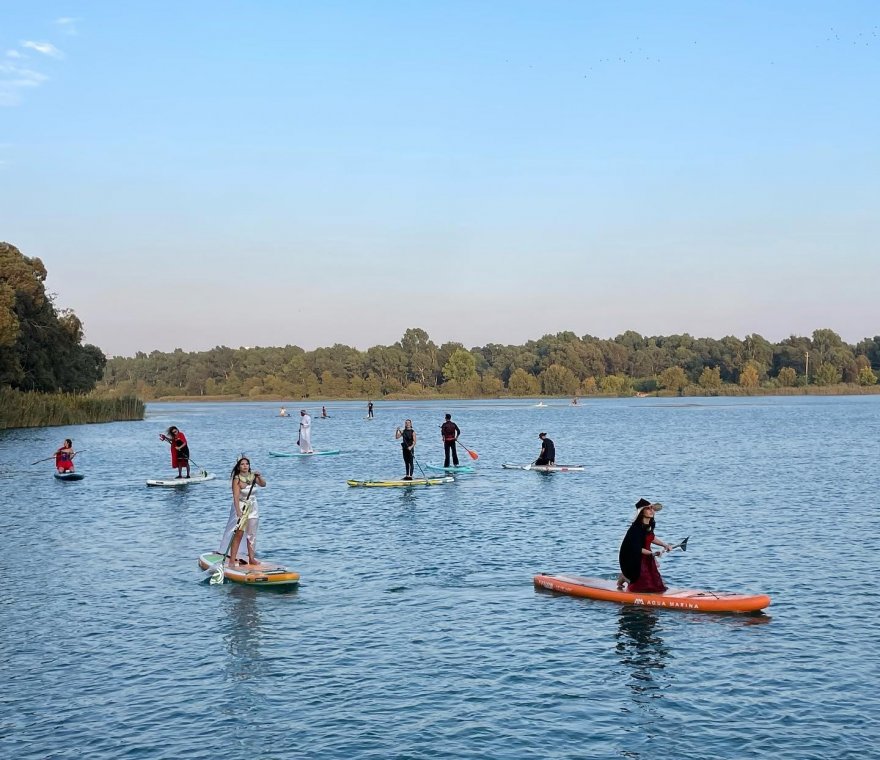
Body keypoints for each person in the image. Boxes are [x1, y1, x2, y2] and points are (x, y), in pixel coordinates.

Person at [219, 457, 266, 566]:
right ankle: (232, 560)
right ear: (239, 467)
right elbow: (235, 497)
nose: (245, 466)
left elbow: (263, 484)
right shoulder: (237, 479)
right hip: (241, 506)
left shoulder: (253, 476)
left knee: (252, 534)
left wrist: (259, 476)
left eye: (247, 464)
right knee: (239, 534)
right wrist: (238, 511)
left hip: (253, 507)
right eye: (242, 464)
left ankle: (251, 559)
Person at [617, 499, 672, 592]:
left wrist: (665, 545)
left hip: (647, 553)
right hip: (633, 556)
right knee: (640, 587)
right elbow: (637, 548)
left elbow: (651, 538)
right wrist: (652, 554)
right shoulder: (635, 528)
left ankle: (627, 577)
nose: (651, 510)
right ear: (642, 512)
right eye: (648, 508)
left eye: (652, 508)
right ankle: (624, 577)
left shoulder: (650, 524)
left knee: (656, 585)